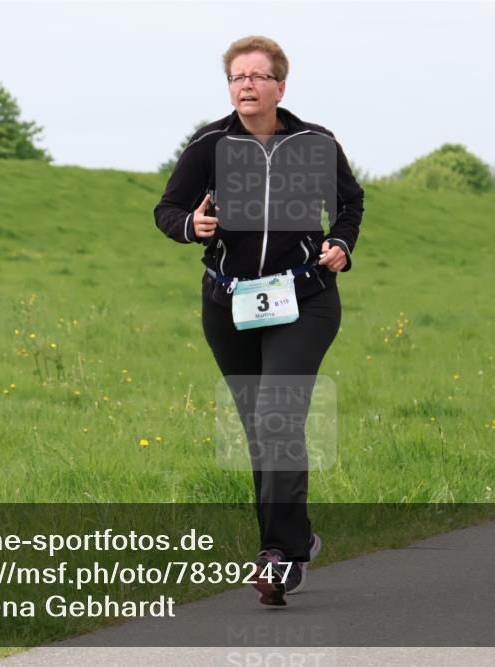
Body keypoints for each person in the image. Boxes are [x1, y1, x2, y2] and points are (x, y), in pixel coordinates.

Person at [153, 35, 364, 606]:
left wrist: (342, 242)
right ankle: (294, 541)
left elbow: (350, 202)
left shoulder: (315, 143)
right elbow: (167, 209)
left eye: (256, 76)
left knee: (277, 415)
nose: (245, 85)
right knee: (259, 430)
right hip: (229, 304)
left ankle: (278, 556)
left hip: (305, 299)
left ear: (280, 87)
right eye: (236, 77)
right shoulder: (210, 145)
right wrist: (187, 226)